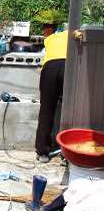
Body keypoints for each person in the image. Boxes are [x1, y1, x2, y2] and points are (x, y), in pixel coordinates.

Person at [35, 21, 68, 163]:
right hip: (69, 66)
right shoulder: (72, 34)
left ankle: (43, 152)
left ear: (48, 30)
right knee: (70, 112)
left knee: (46, 110)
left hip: (50, 68)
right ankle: (67, 154)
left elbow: (45, 57)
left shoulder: (49, 39)